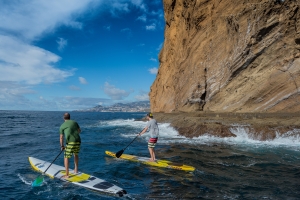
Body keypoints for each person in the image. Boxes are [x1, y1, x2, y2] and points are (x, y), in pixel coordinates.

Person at [59, 112, 81, 178]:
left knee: (66, 157)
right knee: (75, 154)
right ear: (69, 117)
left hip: (70, 142)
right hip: (78, 140)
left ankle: (67, 174)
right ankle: (76, 170)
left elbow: (61, 137)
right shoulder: (74, 122)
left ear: (63, 118)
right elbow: (79, 131)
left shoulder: (62, 126)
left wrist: (62, 146)